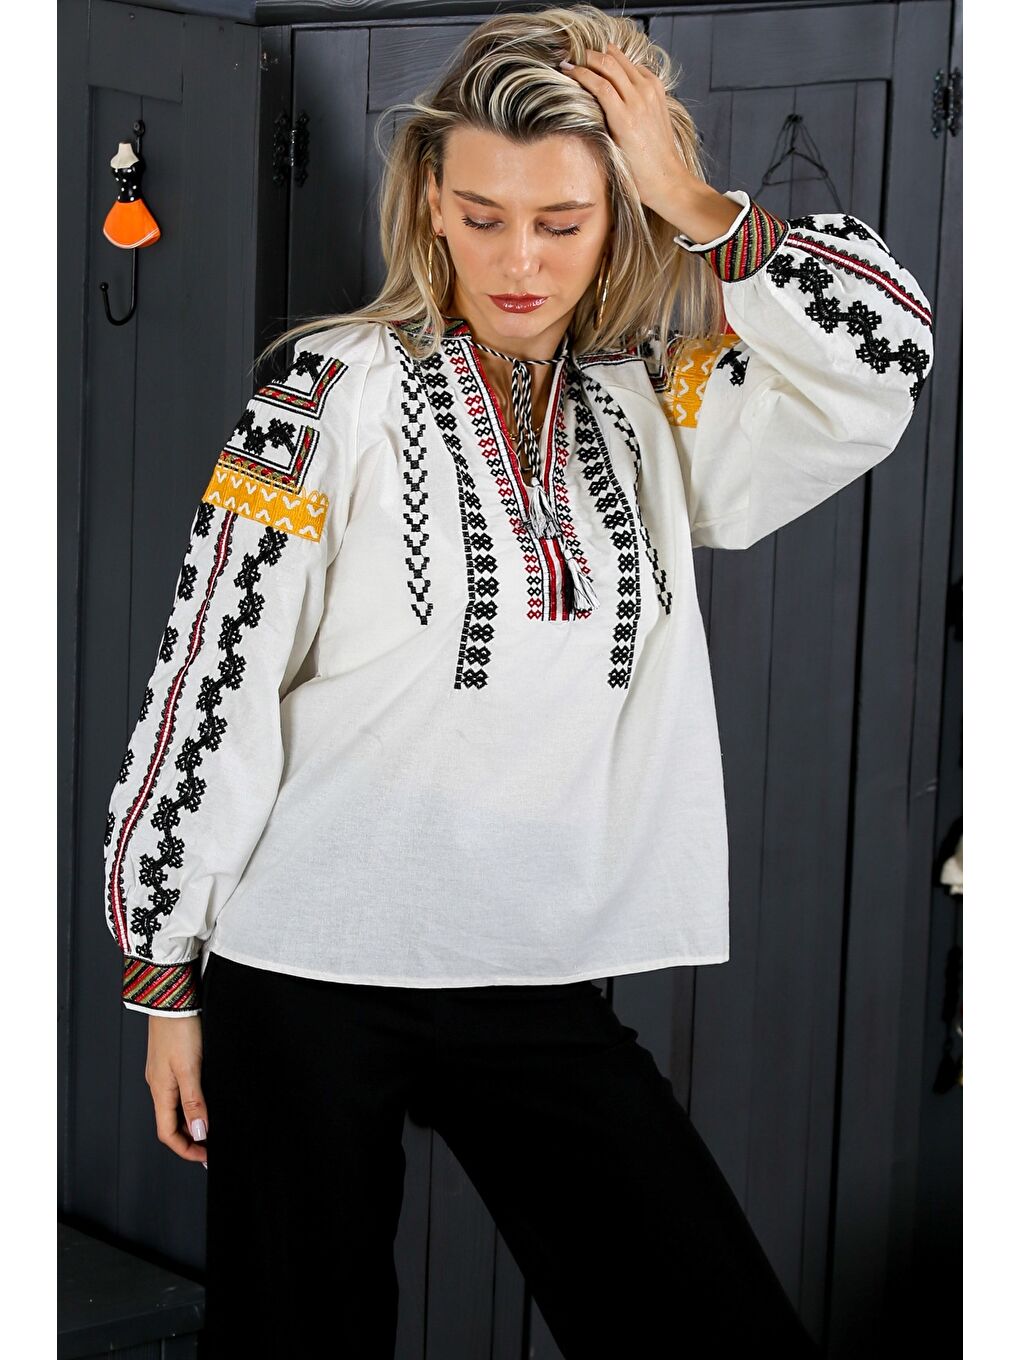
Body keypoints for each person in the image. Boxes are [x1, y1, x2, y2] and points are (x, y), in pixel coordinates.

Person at [102, 6, 933, 1356]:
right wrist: (164, 976)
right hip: (304, 967)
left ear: (618, 217)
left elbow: (884, 361)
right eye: (482, 217)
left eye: (563, 220)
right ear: (433, 206)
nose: (519, 260)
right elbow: (213, 672)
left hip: (534, 964)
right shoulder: (325, 394)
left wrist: (697, 203)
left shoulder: (659, 405)